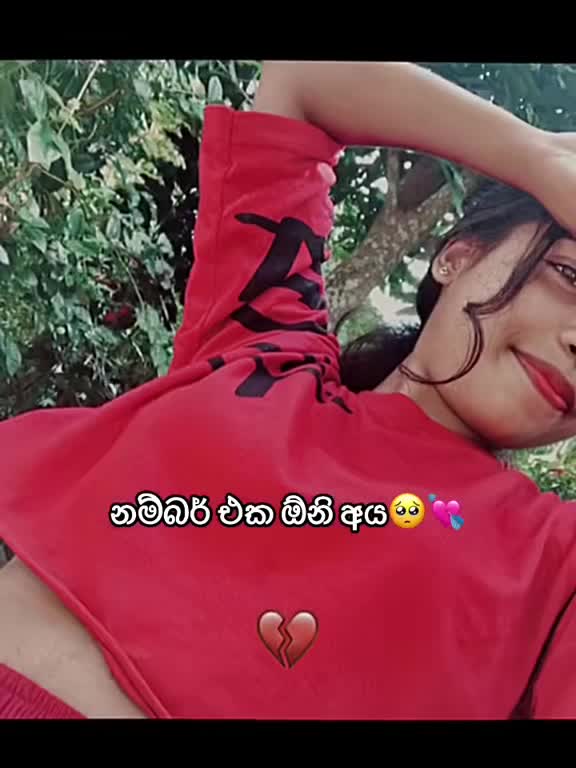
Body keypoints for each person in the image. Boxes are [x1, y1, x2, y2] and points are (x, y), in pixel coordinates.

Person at [0, 60, 575, 720]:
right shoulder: (263, 344)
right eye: (569, 275)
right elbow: (305, 82)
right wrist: (542, 159)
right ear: (457, 256)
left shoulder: (554, 566)